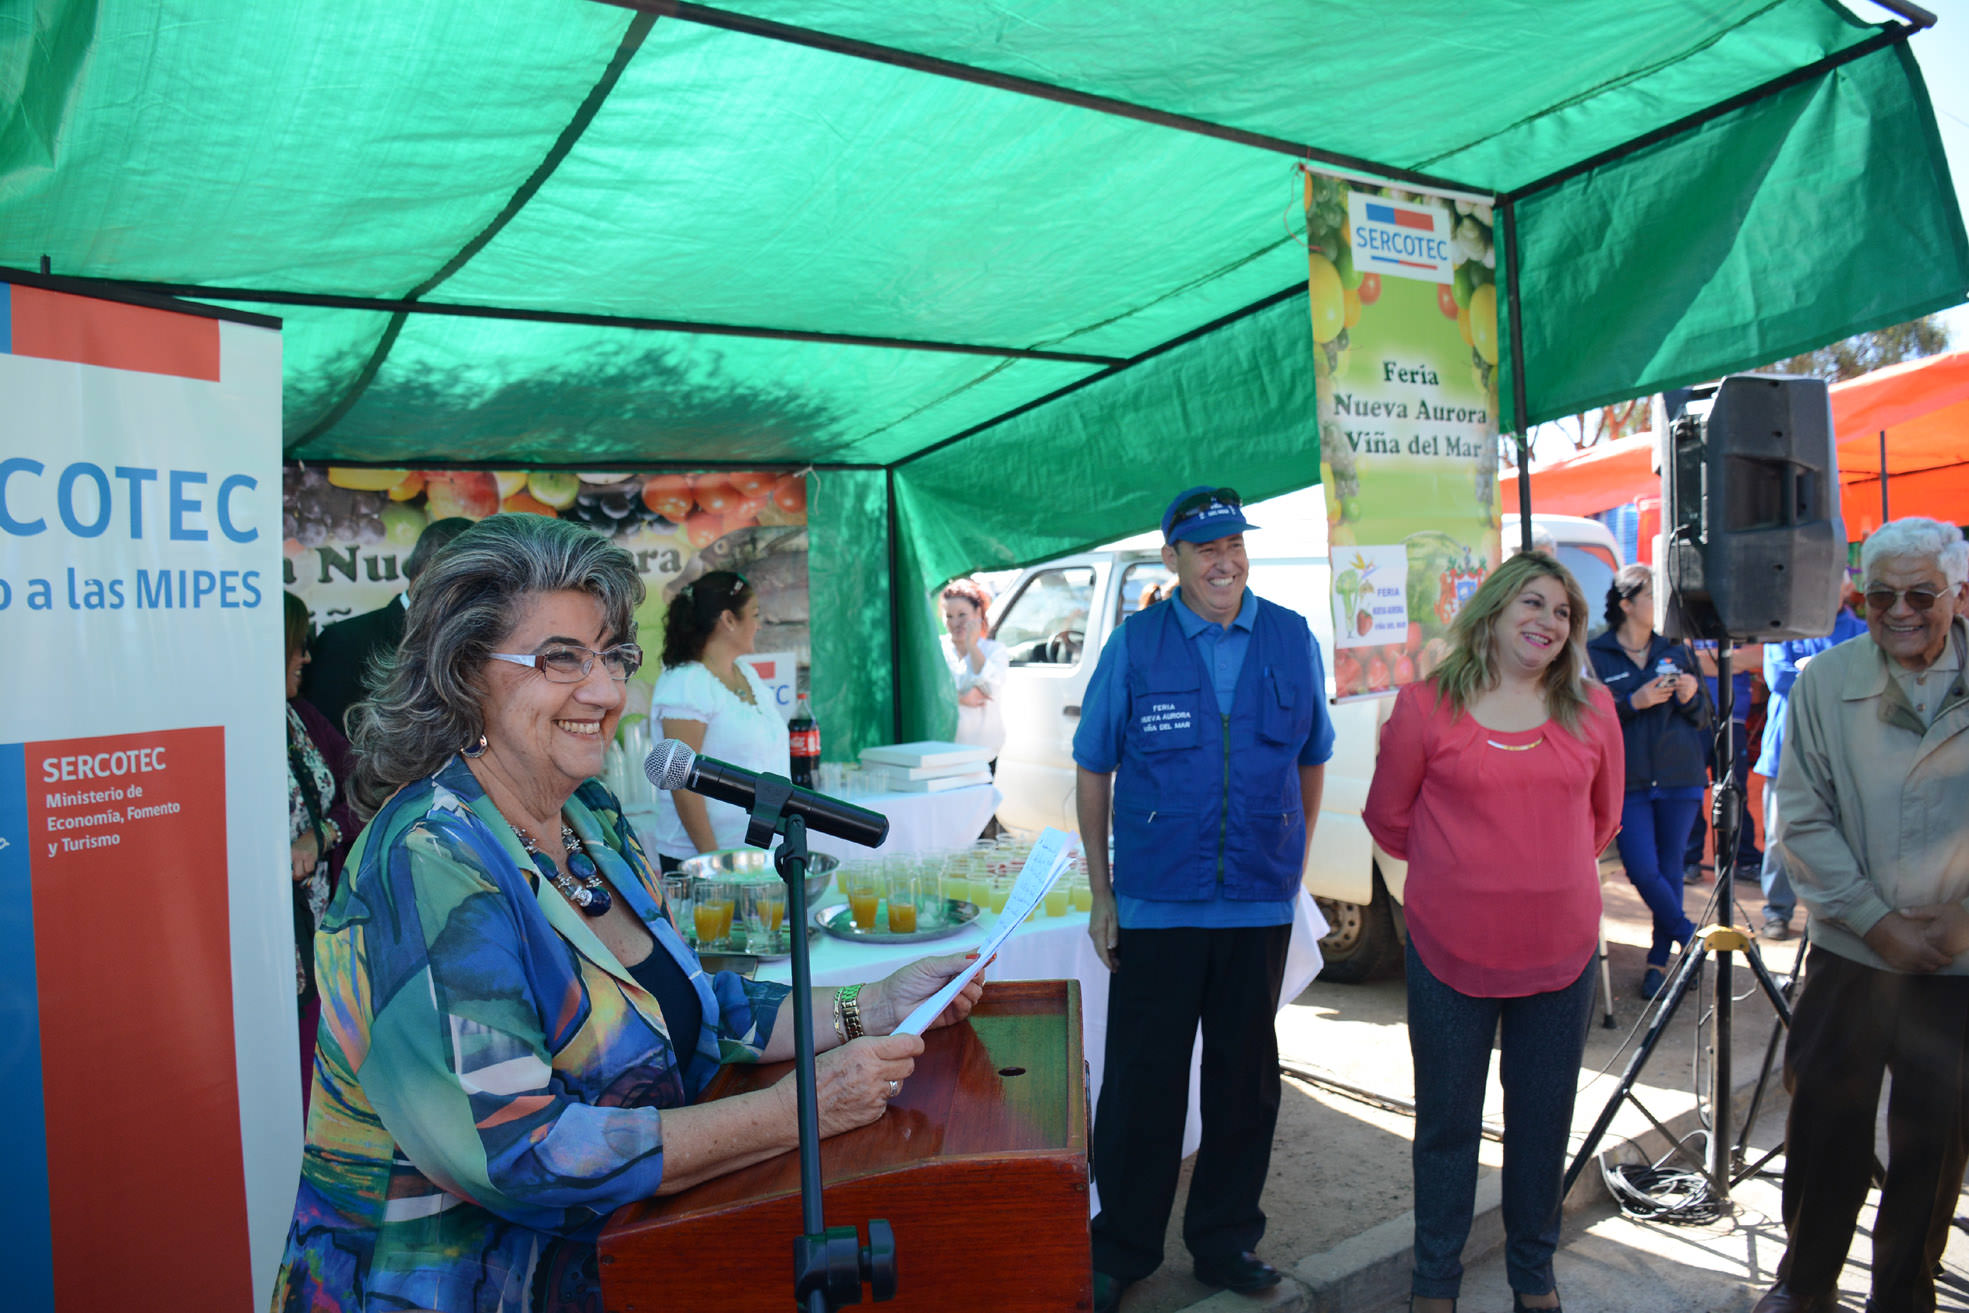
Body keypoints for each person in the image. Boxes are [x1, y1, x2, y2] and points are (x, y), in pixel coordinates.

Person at [270, 514, 983, 1313]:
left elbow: (693, 1011)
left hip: (626, 1265)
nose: (607, 692)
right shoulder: (426, 859)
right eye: (561, 658)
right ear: (464, 670)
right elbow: (519, 1151)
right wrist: (795, 1110)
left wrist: (870, 1004)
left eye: (612, 656)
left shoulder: (592, 816)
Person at [1074, 486, 1334, 1312]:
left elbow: (1312, 758)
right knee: (1141, 1085)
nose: (1225, 561)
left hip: (1257, 902)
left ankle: (1225, 1242)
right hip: (1157, 903)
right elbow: (1093, 766)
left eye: (1234, 545)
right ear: (1173, 558)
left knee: (1243, 1084)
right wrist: (1102, 893)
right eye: (1207, 548)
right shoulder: (1135, 643)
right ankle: (1121, 1248)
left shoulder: (1291, 637)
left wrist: (1291, 866)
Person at [1364, 551, 1623, 1313]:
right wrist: (1465, 876)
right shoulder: (1424, 705)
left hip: (1561, 953)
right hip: (1448, 950)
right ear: (1495, 610)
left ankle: (1533, 1279)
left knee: (1541, 1126)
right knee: (1446, 1127)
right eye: (1532, 603)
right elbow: (1388, 817)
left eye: (1563, 611)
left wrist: (1536, 876)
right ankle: (1433, 1285)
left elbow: (1603, 818)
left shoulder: (1593, 708)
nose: (1548, 621)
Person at [1751, 517, 1969, 1313]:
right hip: (1850, 952)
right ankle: (1804, 1283)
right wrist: (1877, 921)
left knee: (1933, 1138)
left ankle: (1903, 1293)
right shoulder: (1823, 681)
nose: (1899, 611)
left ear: (1958, 594)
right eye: (1880, 596)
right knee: (1821, 1122)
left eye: (1920, 594)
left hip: (1957, 962)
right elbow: (1801, 818)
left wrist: (1960, 922)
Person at [1585, 564, 1709, 998]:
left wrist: (1691, 697)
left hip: (1680, 777)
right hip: (1629, 781)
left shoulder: (1676, 648)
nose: (1662, 605)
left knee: (1671, 871)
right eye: (1653, 596)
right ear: (1626, 604)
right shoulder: (1595, 654)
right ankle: (1689, 937)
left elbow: (1704, 718)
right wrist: (1632, 703)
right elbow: (1588, 722)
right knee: (1641, 868)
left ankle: (1658, 964)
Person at [645, 570, 789, 869]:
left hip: (758, 852)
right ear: (728, 620)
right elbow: (681, 781)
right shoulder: (686, 682)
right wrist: (714, 861)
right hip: (707, 860)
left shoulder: (746, 673)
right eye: (755, 614)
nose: (759, 625)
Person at [1752, 573, 1866, 942]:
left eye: (1833, 582)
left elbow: (1865, 681)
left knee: (1845, 835)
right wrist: (1832, 673)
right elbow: (1778, 678)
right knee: (1778, 836)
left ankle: (1838, 915)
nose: (1824, 588)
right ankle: (1777, 911)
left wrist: (1810, 669)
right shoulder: (1783, 629)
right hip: (1784, 749)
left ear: (1847, 588)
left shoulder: (1863, 632)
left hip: (1844, 753)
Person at [284, 590, 357, 1119]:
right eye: (296, 645)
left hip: (325, 936)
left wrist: (322, 835)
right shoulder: (221, 734)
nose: (306, 658)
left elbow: (366, 789)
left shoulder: (303, 717)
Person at [301, 515, 475, 734]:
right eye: (471, 582)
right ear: (427, 574)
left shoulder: (485, 641)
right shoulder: (344, 641)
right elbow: (329, 737)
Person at [1681, 636, 1764, 884]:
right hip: (1692, 717)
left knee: (1735, 791)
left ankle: (1745, 860)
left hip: (1732, 718)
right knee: (1690, 790)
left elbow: (1759, 657)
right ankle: (1689, 861)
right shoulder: (1689, 619)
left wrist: (1703, 661)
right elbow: (1682, 658)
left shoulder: (1741, 619)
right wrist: (1731, 661)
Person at [940, 578, 1010, 768]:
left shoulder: (995, 651)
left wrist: (972, 646)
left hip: (983, 754)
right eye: (949, 616)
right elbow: (929, 691)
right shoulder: (937, 649)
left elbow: (990, 687)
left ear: (977, 613)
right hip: (942, 753)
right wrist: (959, 698)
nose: (955, 623)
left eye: (962, 615)